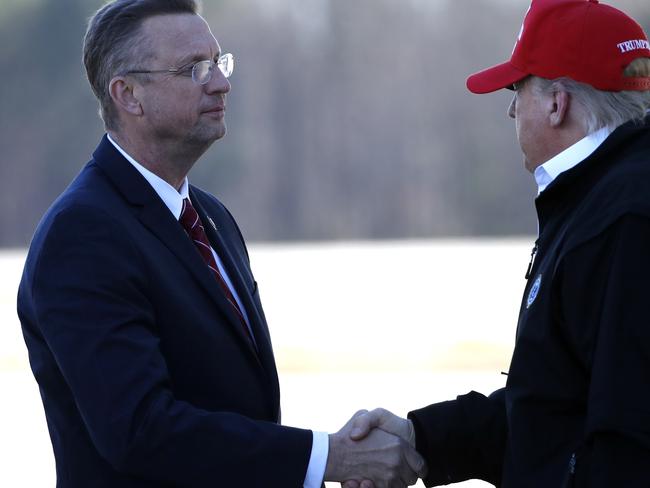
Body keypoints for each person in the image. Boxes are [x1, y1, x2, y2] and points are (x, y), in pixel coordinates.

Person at [16, 1, 426, 486]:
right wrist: (326, 458)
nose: (221, 82)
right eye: (194, 69)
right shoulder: (82, 234)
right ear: (128, 95)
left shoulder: (211, 216)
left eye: (219, 62)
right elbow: (140, 429)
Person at [346, 0, 650, 486]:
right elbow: (552, 403)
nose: (511, 108)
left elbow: (628, 436)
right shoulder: (596, 198)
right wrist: (422, 438)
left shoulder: (624, 218)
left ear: (557, 103)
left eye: (517, 88)